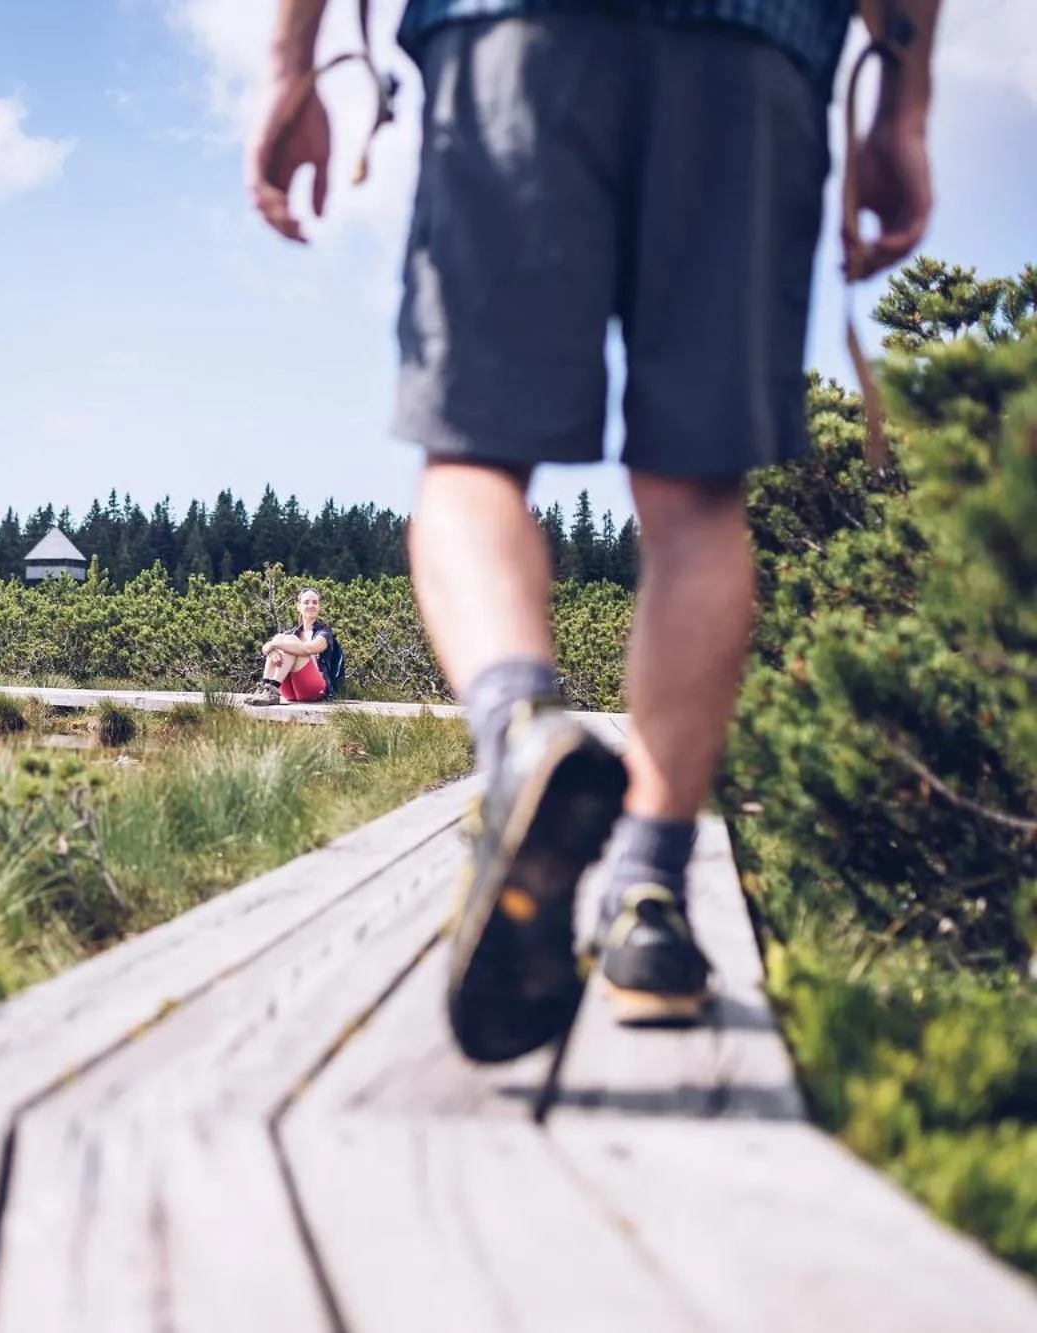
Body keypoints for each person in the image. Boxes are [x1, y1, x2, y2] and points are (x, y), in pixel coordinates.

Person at [250, 0, 938, 1061]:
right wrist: (901, 108)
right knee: (697, 499)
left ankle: (521, 734)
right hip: (753, 50)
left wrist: (291, 70)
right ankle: (648, 899)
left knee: (472, 460)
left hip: (511, 37)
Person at [247, 587, 340, 705]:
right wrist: (272, 651)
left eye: (315, 602)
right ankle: (265, 688)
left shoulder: (324, 633)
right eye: (306, 602)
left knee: (288, 641)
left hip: (316, 690)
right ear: (298, 607)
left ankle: (272, 689)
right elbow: (265, 648)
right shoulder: (293, 633)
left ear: (319, 607)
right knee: (279, 637)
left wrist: (274, 645)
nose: (311, 605)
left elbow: (309, 649)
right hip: (291, 691)